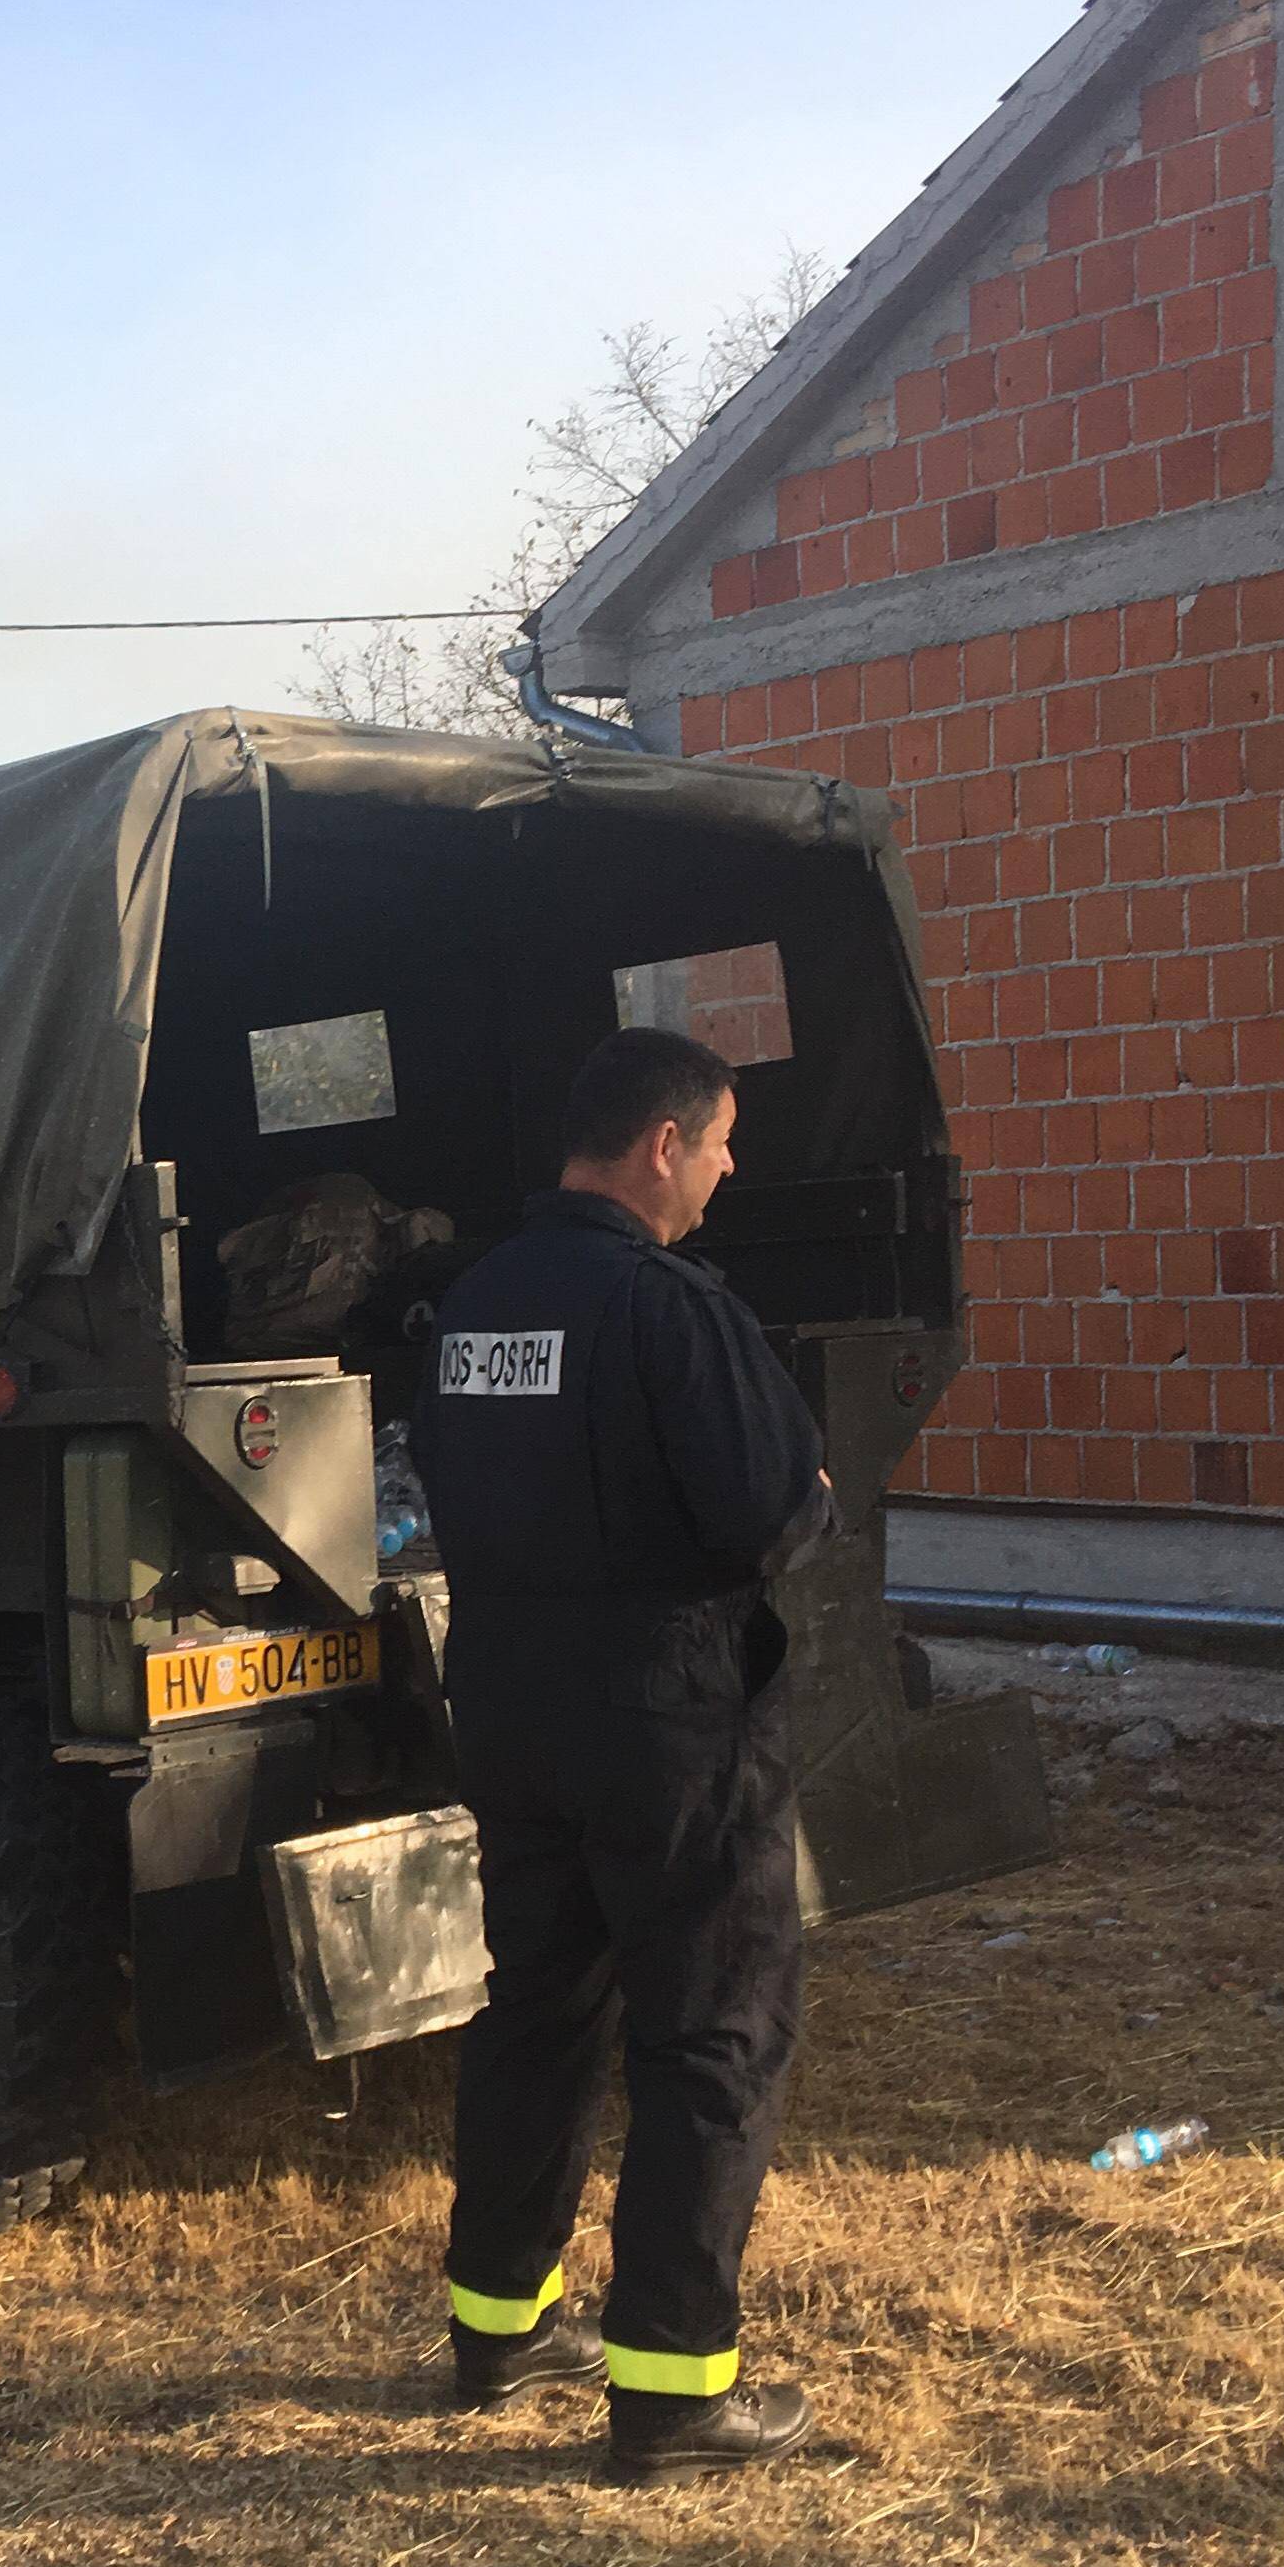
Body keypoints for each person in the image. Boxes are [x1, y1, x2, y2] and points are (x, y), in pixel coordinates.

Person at [411, 1025, 835, 2484]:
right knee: (710, 2032)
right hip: (667, 1724)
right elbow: (776, 1513)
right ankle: (671, 2392)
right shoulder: (670, 1309)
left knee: (535, 2009)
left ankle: (497, 2326)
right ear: (663, 1144)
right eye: (719, 1143)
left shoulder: (473, 1309)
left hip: (513, 1714)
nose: (727, 1170)